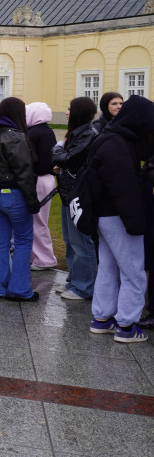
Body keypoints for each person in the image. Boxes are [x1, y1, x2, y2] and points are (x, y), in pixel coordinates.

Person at [87, 96, 153, 343]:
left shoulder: (109, 137)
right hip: (118, 217)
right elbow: (124, 190)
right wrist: (136, 224)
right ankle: (126, 325)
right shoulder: (119, 145)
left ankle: (102, 318)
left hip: (105, 216)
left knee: (108, 267)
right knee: (133, 272)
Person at [0, 97, 41, 302]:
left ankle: (1, 287)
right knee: (23, 240)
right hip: (12, 193)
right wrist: (33, 202)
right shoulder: (16, 137)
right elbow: (24, 173)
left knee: (0, 240)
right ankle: (20, 289)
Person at [52, 97, 99, 300]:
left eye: (70, 109)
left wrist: (58, 148)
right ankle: (74, 281)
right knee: (70, 241)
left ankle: (85, 287)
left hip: (78, 196)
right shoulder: (77, 134)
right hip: (68, 194)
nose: (67, 112)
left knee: (81, 242)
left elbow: (66, 159)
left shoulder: (88, 134)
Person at [25, 102, 58, 272]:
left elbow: (31, 160)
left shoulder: (32, 133)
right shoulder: (48, 131)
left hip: (37, 179)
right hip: (47, 179)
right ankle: (38, 256)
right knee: (39, 220)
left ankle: (44, 258)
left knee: (37, 221)